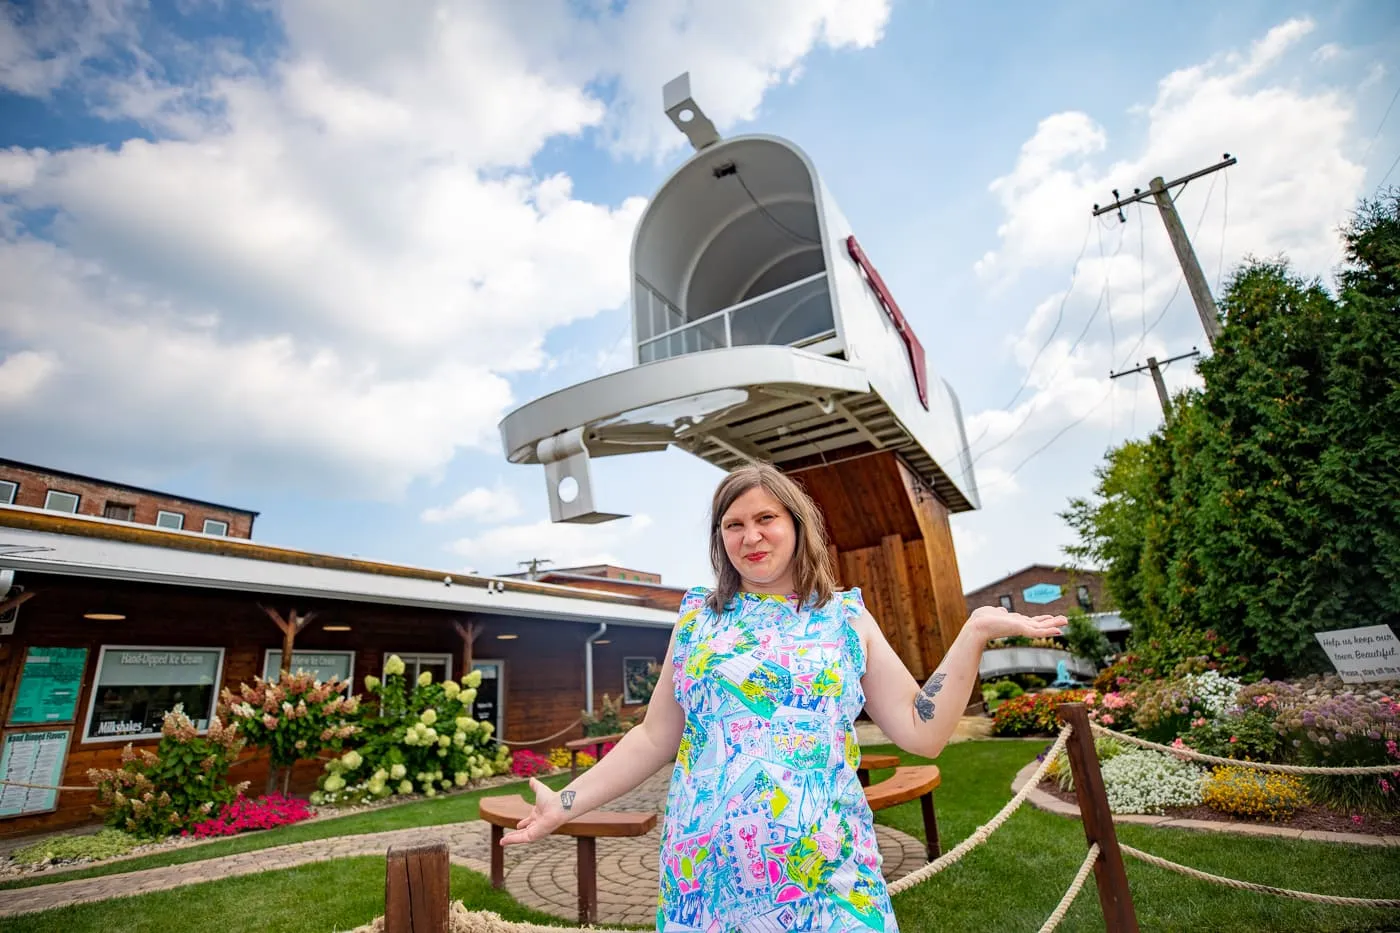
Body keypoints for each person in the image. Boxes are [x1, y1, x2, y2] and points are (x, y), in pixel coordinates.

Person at [501, 463, 1065, 931]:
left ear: (797, 524)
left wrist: (973, 635)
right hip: (708, 884)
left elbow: (925, 731)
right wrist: (565, 804)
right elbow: (653, 738)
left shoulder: (847, 617)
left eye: (766, 518)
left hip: (830, 882)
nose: (750, 537)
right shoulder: (698, 619)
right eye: (733, 525)